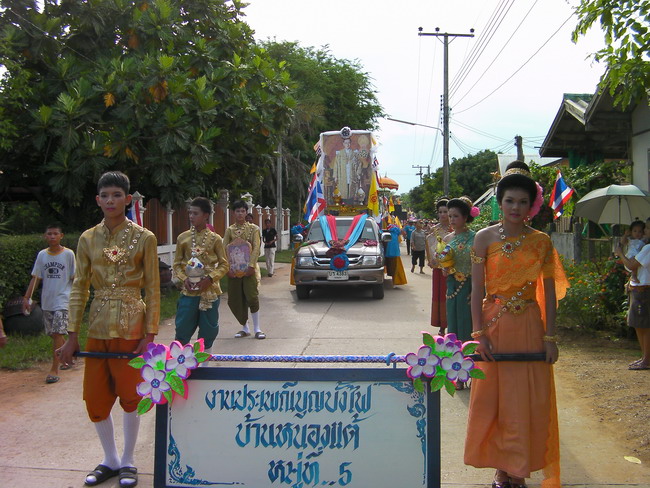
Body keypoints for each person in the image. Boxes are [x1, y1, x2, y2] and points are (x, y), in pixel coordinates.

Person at [465, 161, 568, 488]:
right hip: (494, 328)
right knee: (495, 401)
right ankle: (501, 468)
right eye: (510, 200)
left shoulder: (541, 242)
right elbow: (476, 292)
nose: (516, 207)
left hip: (530, 329)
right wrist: (479, 335)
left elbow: (548, 296)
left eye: (523, 202)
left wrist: (550, 337)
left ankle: (518, 471)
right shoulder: (482, 238)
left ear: (532, 206)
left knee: (526, 401)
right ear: (500, 201)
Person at [57, 171, 160, 488]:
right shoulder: (87, 239)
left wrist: (150, 334)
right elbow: (79, 288)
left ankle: (128, 460)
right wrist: (71, 335)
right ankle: (110, 459)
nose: (111, 200)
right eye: (106, 195)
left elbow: (153, 289)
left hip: (132, 327)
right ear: (98, 200)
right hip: (98, 326)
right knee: (95, 398)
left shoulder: (145, 238)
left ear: (127, 199)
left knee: (132, 395)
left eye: (118, 195)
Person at [173, 197, 229, 360]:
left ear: (206, 215)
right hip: (188, 292)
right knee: (182, 327)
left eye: (195, 213)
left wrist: (210, 279)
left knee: (208, 329)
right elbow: (176, 265)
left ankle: (205, 362)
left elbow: (224, 265)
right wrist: (184, 279)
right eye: (190, 213)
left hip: (210, 292)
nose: (191, 216)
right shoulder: (182, 238)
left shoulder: (215, 239)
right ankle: (179, 364)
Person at [22, 224, 76, 384]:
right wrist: (27, 297)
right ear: (45, 236)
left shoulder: (68, 254)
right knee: (54, 334)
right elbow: (36, 277)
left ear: (61, 236)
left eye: (55, 234)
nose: (52, 236)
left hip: (63, 300)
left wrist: (77, 298)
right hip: (48, 301)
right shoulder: (42, 255)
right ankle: (68, 352)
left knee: (57, 333)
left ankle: (54, 369)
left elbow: (75, 277)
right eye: (49, 234)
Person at [224, 200, 265, 339]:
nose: (240, 214)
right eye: (237, 211)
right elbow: (224, 250)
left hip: (248, 270)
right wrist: (227, 268)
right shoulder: (229, 230)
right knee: (236, 299)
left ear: (246, 212)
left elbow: (256, 247)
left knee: (252, 297)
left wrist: (252, 266)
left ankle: (257, 328)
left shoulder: (254, 229)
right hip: (234, 271)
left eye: (242, 211)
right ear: (233, 213)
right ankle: (245, 327)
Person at [442, 197, 478, 347]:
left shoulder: (476, 238)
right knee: (453, 321)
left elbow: (481, 266)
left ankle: (470, 357)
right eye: (450, 216)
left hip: (469, 285)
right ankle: (454, 357)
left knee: (467, 321)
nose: (451, 220)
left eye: (455, 216)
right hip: (452, 285)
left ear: (465, 217)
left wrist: (477, 291)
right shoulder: (447, 239)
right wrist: (444, 267)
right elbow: (444, 266)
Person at [616, 221, 650, 370]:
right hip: (638, 288)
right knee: (639, 325)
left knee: (644, 326)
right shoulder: (644, 247)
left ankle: (646, 359)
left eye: (647, 228)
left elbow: (631, 265)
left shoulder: (648, 248)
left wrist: (620, 253)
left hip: (643, 290)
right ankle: (644, 357)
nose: (644, 231)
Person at [427, 199, 451, 333]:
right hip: (438, 269)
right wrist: (432, 260)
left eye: (445, 212)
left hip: (453, 269)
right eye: (440, 212)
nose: (443, 215)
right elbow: (430, 248)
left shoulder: (455, 229)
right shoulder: (434, 230)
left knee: (450, 295)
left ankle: (452, 324)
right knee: (440, 295)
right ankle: (442, 325)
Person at [332, 137, 360, 202]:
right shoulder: (339, 154)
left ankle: (350, 204)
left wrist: (358, 173)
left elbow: (359, 164)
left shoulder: (354, 154)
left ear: (350, 143)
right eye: (346, 143)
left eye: (349, 143)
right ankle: (343, 205)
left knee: (351, 190)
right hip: (342, 175)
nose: (347, 144)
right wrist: (335, 176)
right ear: (343, 144)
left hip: (351, 175)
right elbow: (336, 165)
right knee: (342, 191)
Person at [619, 220, 647, 284]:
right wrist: (625, 235)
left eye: (640, 231)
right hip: (630, 256)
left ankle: (635, 275)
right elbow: (622, 242)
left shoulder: (643, 240)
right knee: (633, 264)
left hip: (638, 256)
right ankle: (633, 276)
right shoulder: (630, 240)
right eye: (635, 231)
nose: (637, 233)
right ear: (631, 232)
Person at [384, 222, 407, 287]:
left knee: (390, 266)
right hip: (395, 253)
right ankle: (395, 281)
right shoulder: (396, 231)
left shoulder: (387, 232)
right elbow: (404, 233)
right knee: (395, 268)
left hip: (388, 252)